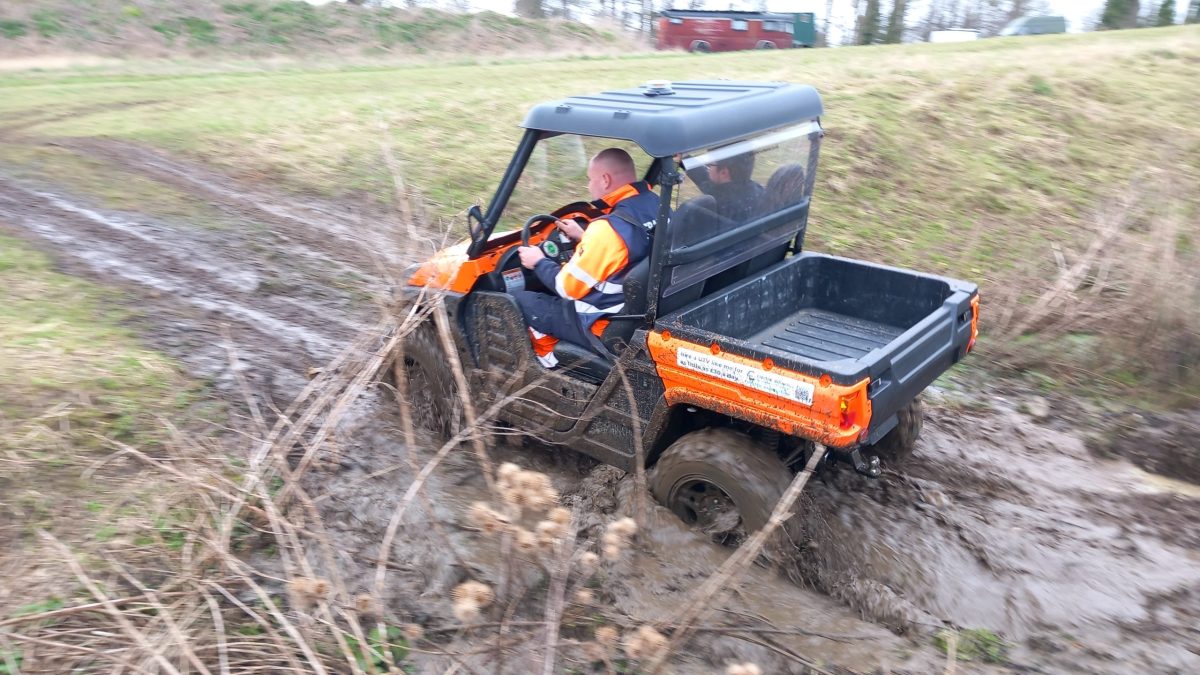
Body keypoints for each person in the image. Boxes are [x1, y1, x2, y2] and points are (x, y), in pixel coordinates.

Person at [512, 148, 660, 368]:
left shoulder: (606, 230)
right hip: (640, 310)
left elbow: (566, 288)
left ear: (605, 180)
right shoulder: (655, 204)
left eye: (590, 180)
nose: (589, 186)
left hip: (603, 321)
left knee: (522, 302)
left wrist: (538, 261)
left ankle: (550, 365)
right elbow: (636, 244)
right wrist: (584, 237)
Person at [685, 152, 764, 223]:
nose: (708, 169)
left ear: (723, 172)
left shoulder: (715, 206)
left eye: (710, 165)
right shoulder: (760, 191)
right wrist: (683, 159)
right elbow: (703, 178)